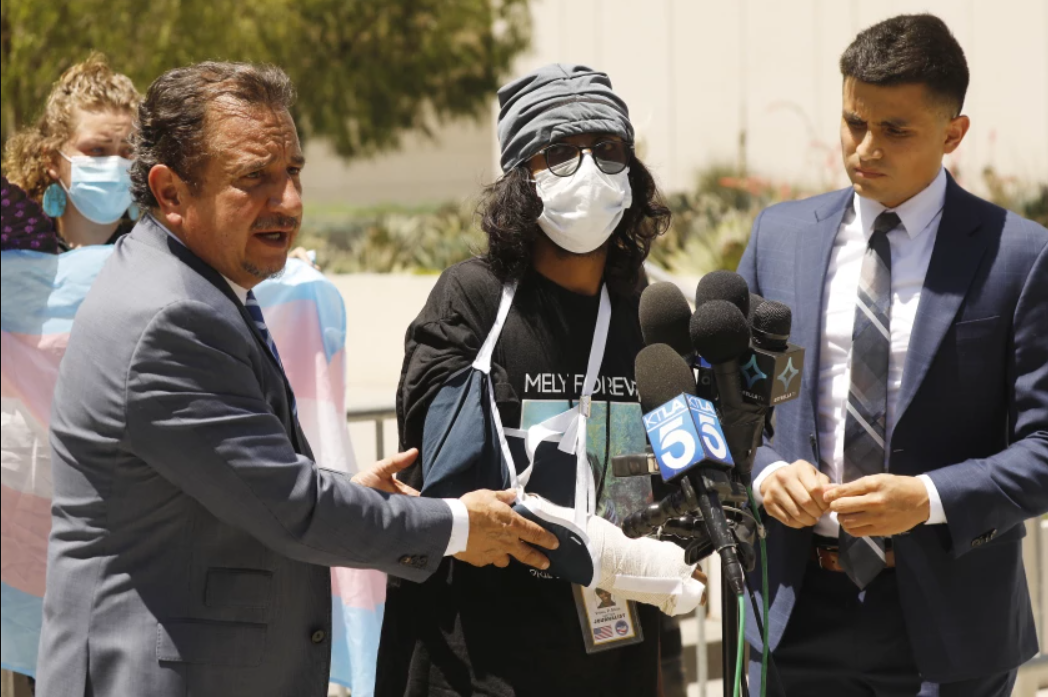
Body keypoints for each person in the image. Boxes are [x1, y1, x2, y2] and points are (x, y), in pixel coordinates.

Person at [36, 61, 560, 697]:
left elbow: (240, 478)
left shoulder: (195, 281)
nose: (287, 201)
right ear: (171, 193)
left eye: (292, 173)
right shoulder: (171, 316)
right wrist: (458, 526)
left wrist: (351, 491)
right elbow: (292, 510)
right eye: (254, 178)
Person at [739, 14, 1047, 697]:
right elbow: (723, 404)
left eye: (895, 130)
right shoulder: (778, 237)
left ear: (953, 133)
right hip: (792, 611)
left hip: (950, 627)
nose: (864, 149)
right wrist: (764, 474)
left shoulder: (1019, 257)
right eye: (853, 123)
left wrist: (930, 497)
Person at [377, 64, 706, 697]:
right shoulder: (472, 300)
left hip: (615, 659)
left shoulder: (652, 314)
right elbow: (444, 482)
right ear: (519, 179)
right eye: (558, 153)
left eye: (607, 149)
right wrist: (609, 552)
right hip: (479, 659)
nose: (589, 169)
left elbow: (684, 490)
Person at [2, 54, 139, 251]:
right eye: (97, 149)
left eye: (128, 151)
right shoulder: (16, 260)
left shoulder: (161, 261)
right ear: (52, 160)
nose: (115, 163)